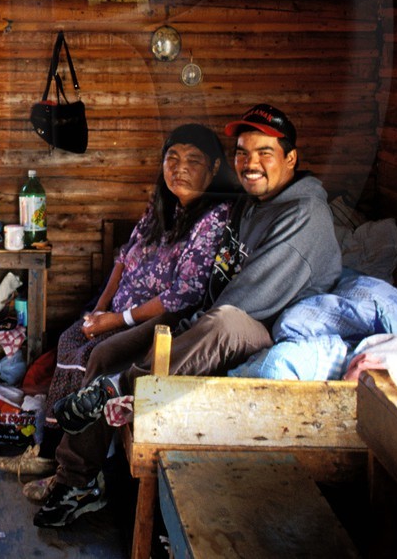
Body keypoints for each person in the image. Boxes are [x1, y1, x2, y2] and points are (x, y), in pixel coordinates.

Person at [33, 103, 342, 529]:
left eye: (265, 153)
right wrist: (144, 327)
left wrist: (176, 328)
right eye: (244, 152)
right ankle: (76, 481)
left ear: (291, 159)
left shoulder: (302, 217)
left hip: (262, 324)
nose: (251, 164)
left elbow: (243, 303)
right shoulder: (254, 203)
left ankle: (117, 391)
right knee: (106, 352)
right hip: (217, 311)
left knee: (221, 322)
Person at [44, 123, 242, 415]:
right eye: (172, 159)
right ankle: (52, 436)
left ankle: (67, 444)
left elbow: (184, 295)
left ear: (213, 169)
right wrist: (97, 311)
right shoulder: (163, 204)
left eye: (193, 161)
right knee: (69, 337)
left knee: (94, 353)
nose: (180, 169)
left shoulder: (214, 218)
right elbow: (124, 257)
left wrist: (114, 321)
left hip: (152, 320)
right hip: (114, 314)